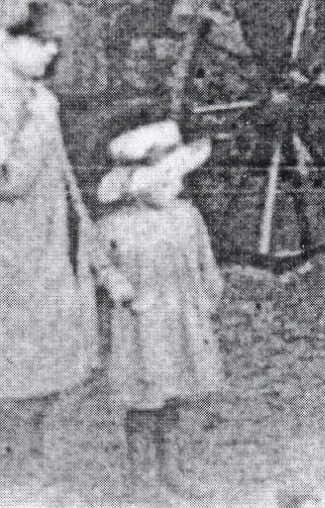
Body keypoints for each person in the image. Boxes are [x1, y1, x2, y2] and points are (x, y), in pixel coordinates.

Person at [93, 114, 225, 498]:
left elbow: (205, 263)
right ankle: (139, 479)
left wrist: (208, 295)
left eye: (178, 177)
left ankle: (172, 471)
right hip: (141, 325)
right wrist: (118, 286)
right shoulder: (113, 226)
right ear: (135, 187)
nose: (176, 185)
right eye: (165, 179)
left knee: (172, 400)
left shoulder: (188, 217)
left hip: (179, 319)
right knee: (142, 404)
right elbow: (99, 263)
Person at [0, 0, 99, 487]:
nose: (52, 52)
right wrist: (39, 125)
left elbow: (60, 175)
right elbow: (7, 179)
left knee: (46, 360)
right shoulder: (7, 98)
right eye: (42, 42)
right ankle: (19, 479)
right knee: (19, 362)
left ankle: (31, 471)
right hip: (12, 249)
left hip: (42, 240)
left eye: (56, 43)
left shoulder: (37, 97)